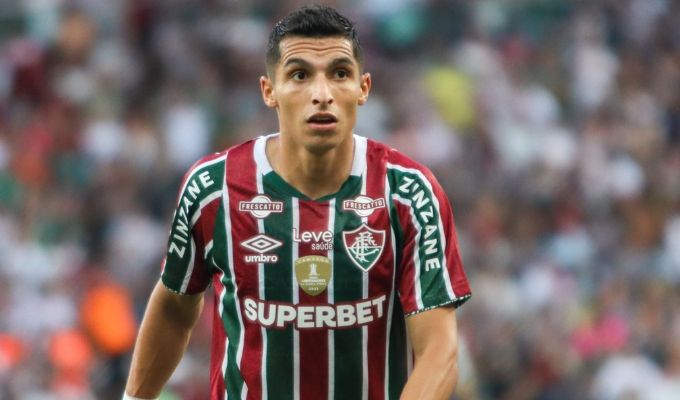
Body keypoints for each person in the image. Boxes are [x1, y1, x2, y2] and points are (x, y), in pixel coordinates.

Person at [124, 5, 471, 400]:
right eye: (300, 75)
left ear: (363, 88)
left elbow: (439, 351)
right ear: (269, 91)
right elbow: (174, 308)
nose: (321, 94)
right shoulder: (213, 188)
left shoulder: (408, 192)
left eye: (339, 74)